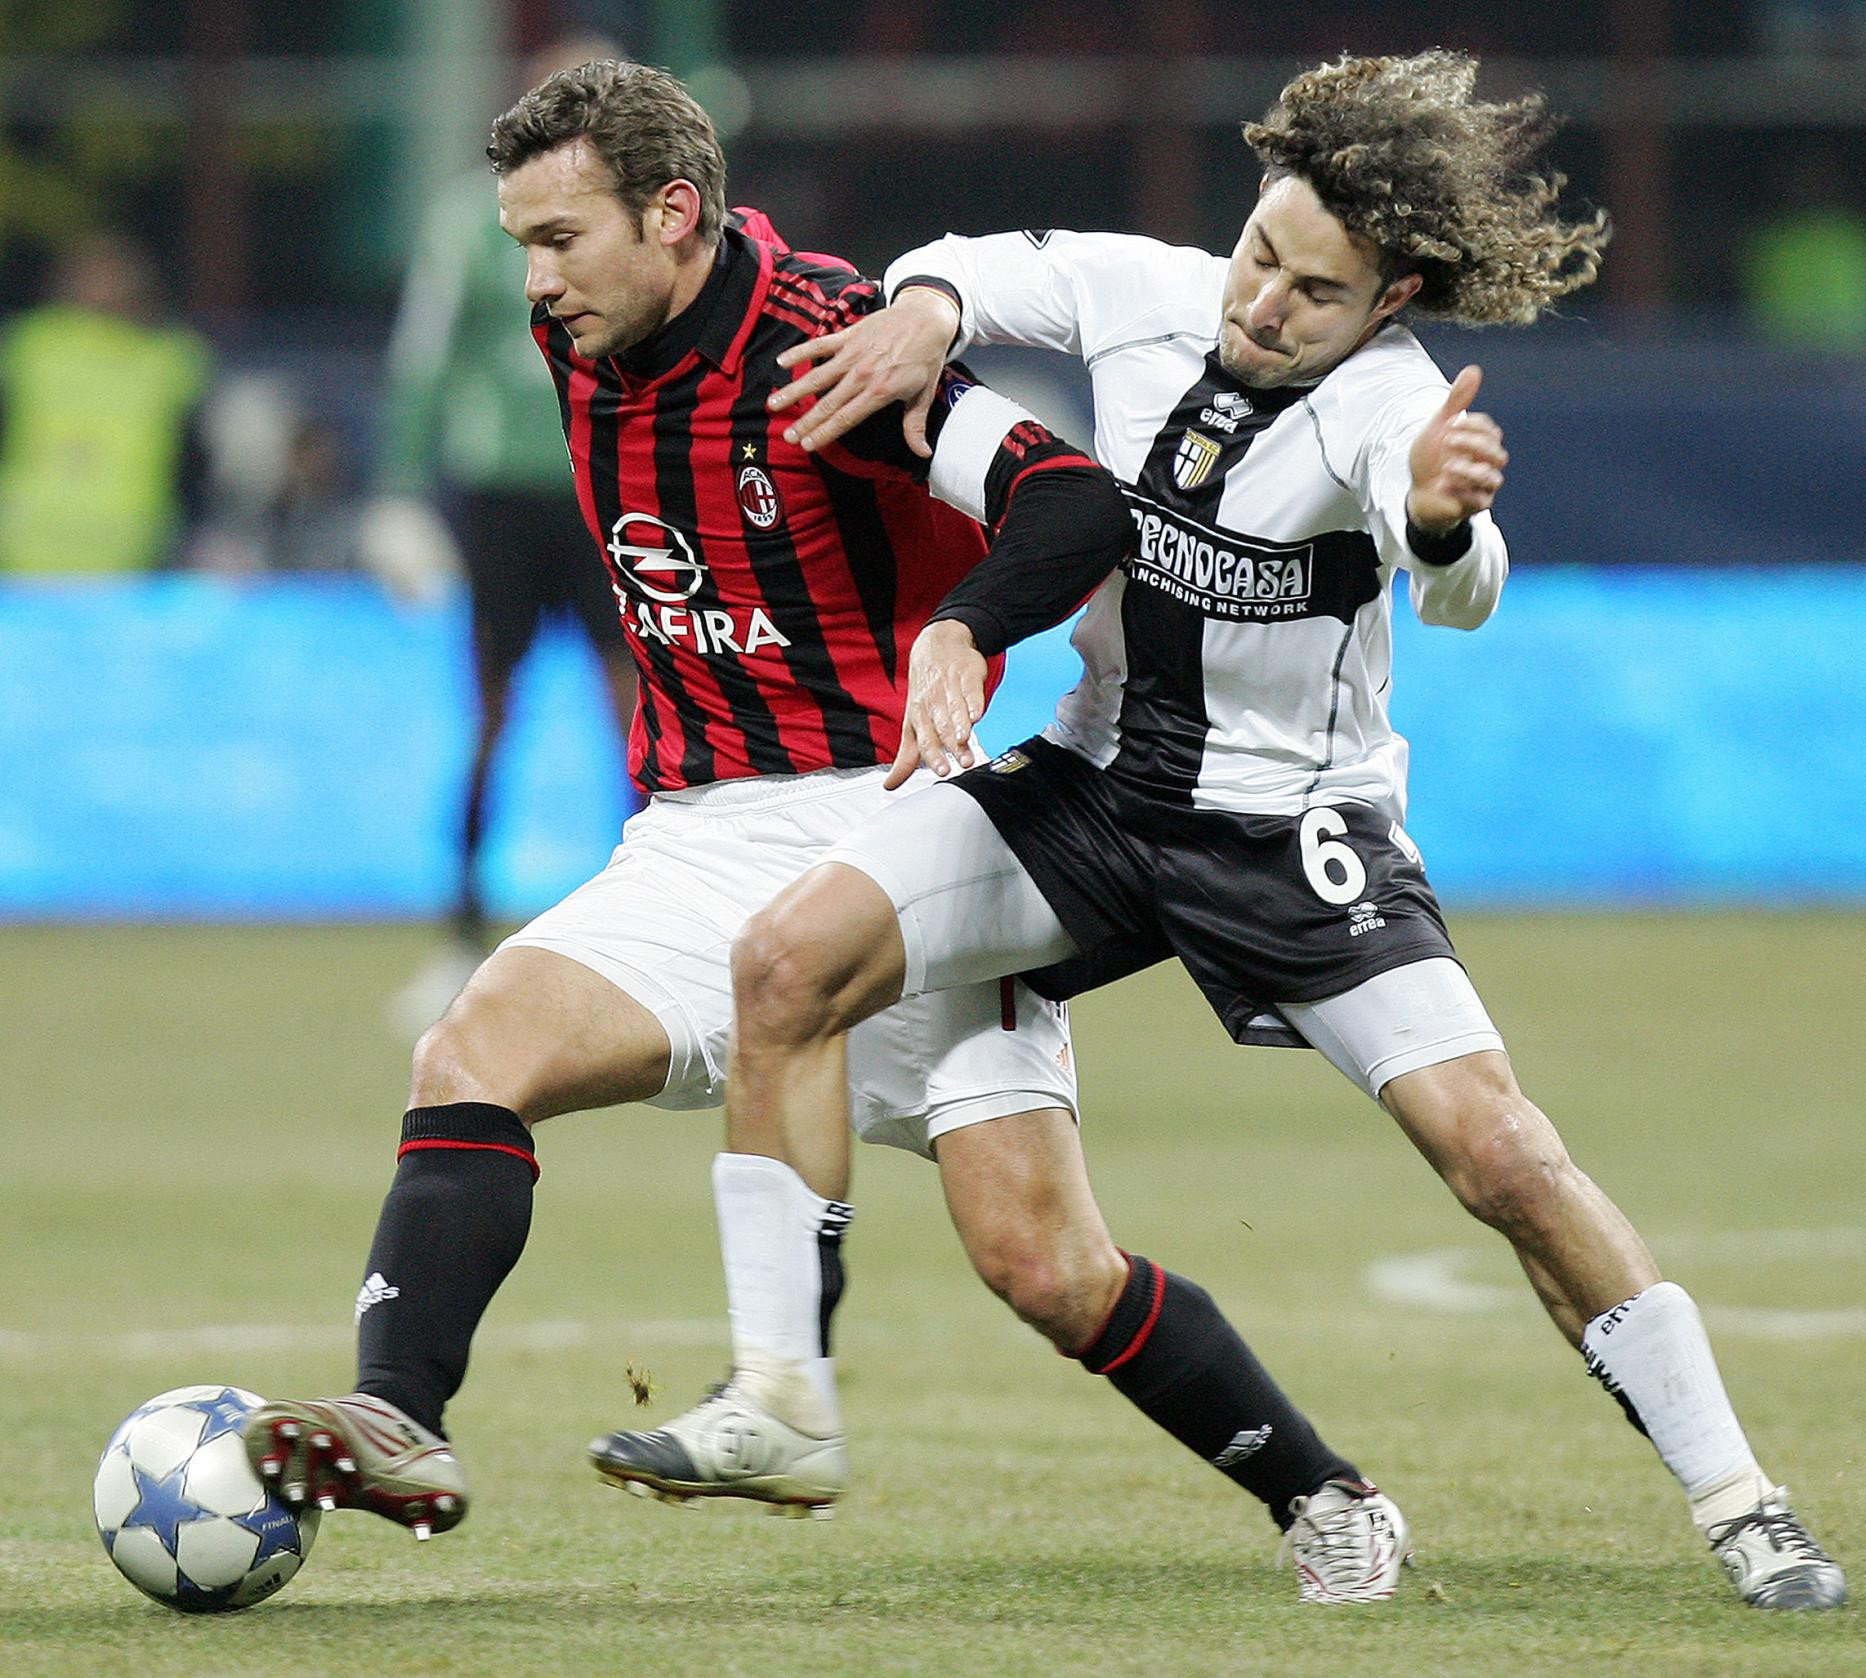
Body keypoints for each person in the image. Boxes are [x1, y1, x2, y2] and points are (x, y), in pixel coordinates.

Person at [640, 51, 1848, 1613]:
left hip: (1292, 832)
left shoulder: (1388, 405)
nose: (1264, 303)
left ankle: (1746, 1504)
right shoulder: (1150, 290)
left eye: (1315, 289)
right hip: (1092, 787)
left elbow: (1464, 584)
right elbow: (964, 264)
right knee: (788, 957)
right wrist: (929, 309)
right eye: (1262, 253)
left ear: (1391, 297)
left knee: (1501, 1154)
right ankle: (782, 1395)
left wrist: (1438, 517)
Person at [241, 60, 1406, 1604]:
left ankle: (1323, 1491)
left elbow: (1073, 508)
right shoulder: (576, 329)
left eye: (561, 239)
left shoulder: (828, 347)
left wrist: (964, 630)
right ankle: (401, 1416)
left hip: (893, 832)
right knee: (472, 1050)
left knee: (1046, 1265)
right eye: (523, 245)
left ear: (673, 213)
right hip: (693, 835)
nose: (536, 280)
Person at [373, 36, 640, 1037]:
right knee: (490, 715)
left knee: (641, 716)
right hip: (503, 496)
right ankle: (460, 934)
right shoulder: (469, 218)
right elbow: (425, 360)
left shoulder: (645, 216)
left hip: (614, 491)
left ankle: (655, 932)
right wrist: (399, 494)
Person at [0, 233, 210, 575]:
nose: (101, 287)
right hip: (25, 541)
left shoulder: (171, 359)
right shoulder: (31, 345)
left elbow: (195, 459)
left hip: (131, 544)